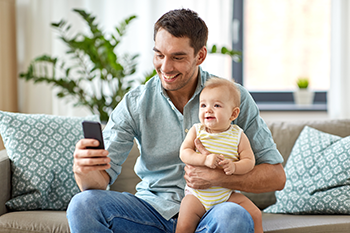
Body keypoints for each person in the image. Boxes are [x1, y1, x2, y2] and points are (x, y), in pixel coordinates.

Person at [67, 8, 286, 233]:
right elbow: (99, 182)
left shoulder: (232, 98)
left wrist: (217, 178)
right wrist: (84, 170)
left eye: (177, 57)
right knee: (82, 205)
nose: (165, 67)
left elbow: (276, 177)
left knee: (233, 216)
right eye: (159, 55)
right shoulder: (136, 102)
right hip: (150, 212)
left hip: (213, 211)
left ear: (200, 55)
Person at [176, 77, 263, 233]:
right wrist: (204, 159)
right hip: (198, 196)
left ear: (233, 114)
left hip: (227, 195)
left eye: (216, 105)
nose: (208, 110)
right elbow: (184, 153)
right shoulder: (197, 130)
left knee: (255, 214)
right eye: (203, 105)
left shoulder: (238, 135)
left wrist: (234, 166)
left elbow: (249, 161)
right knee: (183, 225)